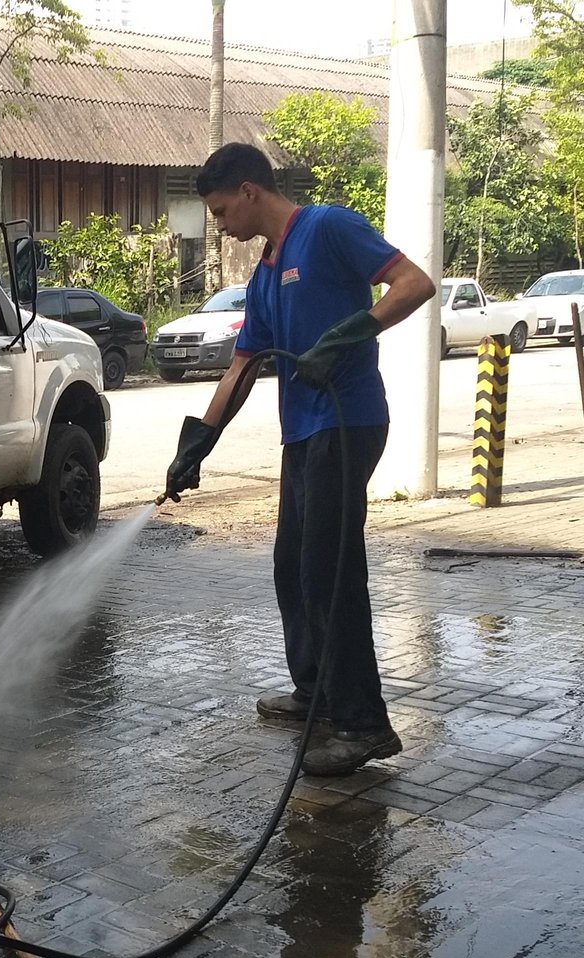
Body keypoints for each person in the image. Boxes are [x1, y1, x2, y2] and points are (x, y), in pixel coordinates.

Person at [163, 142, 434, 777]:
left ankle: (364, 724)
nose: (222, 225)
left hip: (349, 421)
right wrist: (200, 439)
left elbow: (414, 284)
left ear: (251, 192)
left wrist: (349, 335)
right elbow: (245, 363)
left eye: (223, 210)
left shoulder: (329, 227)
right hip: (303, 433)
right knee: (293, 565)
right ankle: (316, 690)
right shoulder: (263, 275)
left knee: (329, 572)